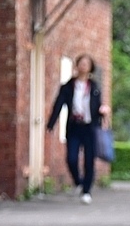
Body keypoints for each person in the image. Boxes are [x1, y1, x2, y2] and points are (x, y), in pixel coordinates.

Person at [46, 54, 111, 205]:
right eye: (81, 63)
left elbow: (98, 105)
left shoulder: (94, 87)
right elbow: (58, 104)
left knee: (89, 160)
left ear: (90, 68)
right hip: (74, 126)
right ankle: (78, 181)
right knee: (71, 158)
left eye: (86, 64)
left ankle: (87, 191)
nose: (83, 66)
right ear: (76, 66)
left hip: (90, 127)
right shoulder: (68, 86)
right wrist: (51, 124)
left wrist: (103, 111)